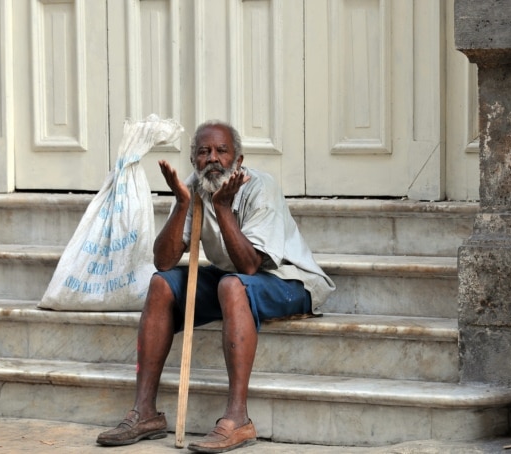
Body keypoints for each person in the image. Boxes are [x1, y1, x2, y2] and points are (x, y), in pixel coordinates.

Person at [96, 120, 335, 452]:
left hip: (290, 281)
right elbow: (163, 261)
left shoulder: (259, 186)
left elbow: (251, 265)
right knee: (161, 284)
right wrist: (182, 204)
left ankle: (238, 420)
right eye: (204, 152)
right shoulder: (195, 187)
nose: (213, 159)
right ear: (193, 159)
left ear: (238, 159)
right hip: (232, 278)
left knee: (232, 286)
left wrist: (223, 209)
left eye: (222, 151)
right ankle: (145, 413)